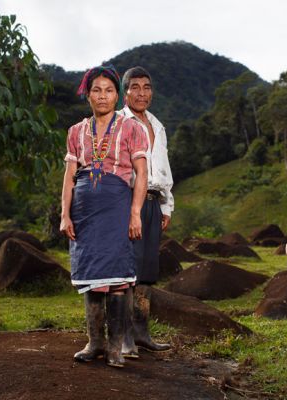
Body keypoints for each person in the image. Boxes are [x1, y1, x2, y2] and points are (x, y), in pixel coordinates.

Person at [59, 65, 148, 368]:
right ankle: (94, 342)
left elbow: (141, 174)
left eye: (109, 90)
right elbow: (69, 177)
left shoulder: (131, 128)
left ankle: (115, 347)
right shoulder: (76, 131)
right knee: (90, 274)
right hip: (83, 211)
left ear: (116, 95)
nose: (102, 96)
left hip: (116, 205)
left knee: (119, 277)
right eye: (96, 90)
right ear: (88, 94)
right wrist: (65, 215)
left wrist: (135, 213)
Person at [118, 66, 173, 358]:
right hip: (129, 202)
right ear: (124, 93)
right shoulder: (118, 123)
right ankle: (124, 336)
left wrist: (167, 205)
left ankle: (142, 333)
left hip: (154, 201)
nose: (142, 93)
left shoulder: (158, 125)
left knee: (148, 272)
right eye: (135, 87)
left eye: (147, 87)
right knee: (129, 269)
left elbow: (164, 168)